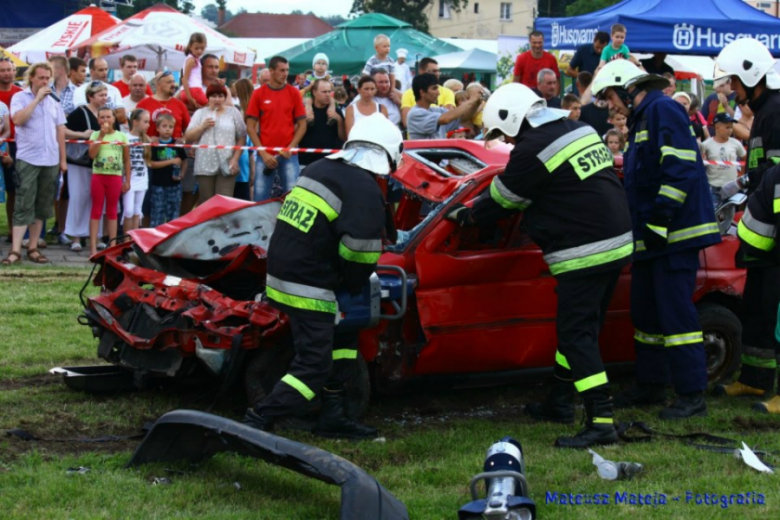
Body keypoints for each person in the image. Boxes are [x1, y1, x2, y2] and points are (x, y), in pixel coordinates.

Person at [445, 83, 633, 448]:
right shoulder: (579, 128)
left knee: (576, 334)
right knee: (579, 330)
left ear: (515, 120)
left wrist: (466, 217)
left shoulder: (532, 148)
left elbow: (504, 199)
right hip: (616, 241)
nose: (509, 143)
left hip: (585, 250)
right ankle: (560, 402)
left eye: (507, 135)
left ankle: (601, 421)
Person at [243, 112, 403, 439]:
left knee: (344, 338)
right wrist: (354, 281)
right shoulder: (363, 188)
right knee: (314, 364)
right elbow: (360, 253)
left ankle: (334, 416)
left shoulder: (321, 168)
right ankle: (258, 421)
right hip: (310, 282)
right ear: (388, 153)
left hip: (284, 271)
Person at [592, 60, 720, 419]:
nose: (610, 106)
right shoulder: (644, 118)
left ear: (627, 87)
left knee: (676, 316)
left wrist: (661, 218)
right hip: (652, 237)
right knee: (645, 312)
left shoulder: (662, 109)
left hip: (674, 235)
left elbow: (678, 166)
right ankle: (651, 384)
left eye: (609, 98)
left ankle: (691, 394)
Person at [712, 38, 780, 413]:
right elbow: (765, 171)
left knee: (777, 313)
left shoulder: (777, 112)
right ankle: (755, 382)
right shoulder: (763, 112)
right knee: (758, 309)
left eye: (734, 82)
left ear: (752, 76)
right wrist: (741, 184)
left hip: (776, 232)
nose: (731, 91)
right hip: (763, 231)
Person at [3, 62, 66, 266]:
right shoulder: (20, 97)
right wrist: (37, 99)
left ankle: (33, 247)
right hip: (28, 159)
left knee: (43, 205)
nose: (45, 81)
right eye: (41, 78)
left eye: (48, 77)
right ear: (31, 78)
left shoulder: (55, 100)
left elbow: (60, 131)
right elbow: (18, 120)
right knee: (23, 203)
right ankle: (15, 249)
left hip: (50, 159)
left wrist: (62, 160)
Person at [246, 56, 306, 202]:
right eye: (282, 70)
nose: (285, 73)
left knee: (293, 199)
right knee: (260, 199)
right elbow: (250, 126)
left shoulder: (294, 93)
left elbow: (302, 125)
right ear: (271, 71)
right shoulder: (258, 93)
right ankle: (261, 225)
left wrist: (290, 147)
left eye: (287, 70)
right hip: (265, 155)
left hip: (289, 154)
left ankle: (289, 225)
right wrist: (262, 152)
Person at [184, 84, 246, 204]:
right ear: (208, 97)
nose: (217, 99)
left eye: (220, 96)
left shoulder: (233, 112)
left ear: (224, 97)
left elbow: (242, 137)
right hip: (204, 164)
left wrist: (235, 159)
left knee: (224, 202)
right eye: (213, 96)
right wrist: (202, 127)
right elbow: (188, 137)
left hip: (227, 164)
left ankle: (223, 224)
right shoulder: (200, 113)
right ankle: (208, 223)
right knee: (206, 202)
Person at [63, 81, 105, 252]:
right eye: (101, 95)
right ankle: (76, 237)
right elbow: (62, 129)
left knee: (97, 199)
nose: (105, 98)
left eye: (105, 94)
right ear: (91, 96)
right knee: (78, 197)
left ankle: (97, 236)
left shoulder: (106, 113)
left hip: (101, 163)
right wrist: (81, 135)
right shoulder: (80, 112)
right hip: (79, 162)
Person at [87, 106, 129, 256]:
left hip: (115, 177)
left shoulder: (122, 136)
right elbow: (91, 155)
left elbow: (126, 160)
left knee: (112, 211)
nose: (105, 120)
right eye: (102, 117)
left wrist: (127, 180)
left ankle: (112, 247)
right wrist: (100, 137)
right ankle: (92, 248)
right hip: (98, 176)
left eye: (108, 117)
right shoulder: (94, 135)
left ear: (114, 119)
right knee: (96, 210)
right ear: (98, 120)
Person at [407, 73, 481, 140]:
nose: (438, 93)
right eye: (434, 88)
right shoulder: (415, 114)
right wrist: (471, 100)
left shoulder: (436, 110)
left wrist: (476, 103)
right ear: (422, 92)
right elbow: (446, 119)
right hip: (423, 155)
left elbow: (462, 117)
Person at [148, 113, 187, 227]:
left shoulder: (176, 144)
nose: (167, 129)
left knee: (174, 214)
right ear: (157, 128)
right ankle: (155, 238)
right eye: (164, 126)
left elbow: (184, 160)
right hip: (158, 185)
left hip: (174, 184)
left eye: (170, 127)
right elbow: (151, 164)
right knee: (157, 213)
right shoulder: (154, 144)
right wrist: (171, 161)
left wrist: (182, 174)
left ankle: (171, 237)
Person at [700, 113, 746, 208]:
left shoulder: (736, 143)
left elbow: (746, 159)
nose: (730, 130)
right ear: (717, 127)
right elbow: (700, 162)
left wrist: (741, 175)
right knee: (715, 213)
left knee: (731, 212)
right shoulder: (707, 144)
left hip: (732, 186)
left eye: (731, 127)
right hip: (714, 187)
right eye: (727, 127)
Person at [0, 57, 22, 242]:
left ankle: (12, 230)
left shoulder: (21, 94)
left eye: (9, 70)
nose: (7, 73)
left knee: (13, 189)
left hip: (15, 145)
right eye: (3, 70)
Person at [298, 79, 345, 167]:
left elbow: (343, 137)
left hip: (331, 161)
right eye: (324, 92)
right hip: (306, 162)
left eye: (329, 91)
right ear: (314, 92)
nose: (327, 94)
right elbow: (296, 132)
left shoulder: (336, 111)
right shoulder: (304, 111)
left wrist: (339, 119)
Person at [400, 58, 456, 127]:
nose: (437, 74)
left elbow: (450, 118)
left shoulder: (447, 92)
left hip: (441, 136)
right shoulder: (408, 93)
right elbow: (406, 122)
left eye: (438, 71)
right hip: (418, 137)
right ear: (421, 71)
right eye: (433, 71)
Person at [136, 71, 191, 138]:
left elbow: (188, 130)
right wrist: (148, 139)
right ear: (158, 85)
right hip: (151, 148)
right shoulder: (143, 105)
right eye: (169, 82)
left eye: (173, 82)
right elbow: (136, 130)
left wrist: (183, 139)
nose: (173, 85)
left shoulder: (180, 105)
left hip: (174, 148)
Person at [123, 108, 151, 237]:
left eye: (148, 122)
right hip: (129, 179)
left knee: (137, 211)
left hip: (142, 179)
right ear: (135, 122)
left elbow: (148, 161)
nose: (148, 125)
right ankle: (125, 240)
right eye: (145, 122)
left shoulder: (147, 140)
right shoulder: (125, 138)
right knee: (128, 210)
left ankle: (132, 240)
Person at [181, 32, 208, 110]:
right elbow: (184, 78)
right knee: (212, 107)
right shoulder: (192, 60)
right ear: (190, 47)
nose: (199, 51)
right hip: (194, 91)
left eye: (202, 48)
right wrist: (190, 98)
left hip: (185, 92)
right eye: (197, 48)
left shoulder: (195, 59)